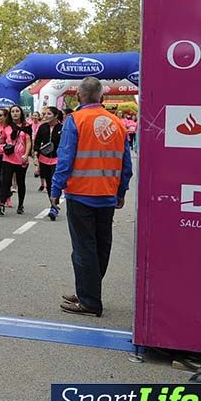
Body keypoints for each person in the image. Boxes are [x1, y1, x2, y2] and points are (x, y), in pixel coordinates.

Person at [51, 77, 132, 317]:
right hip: (107, 193)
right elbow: (125, 163)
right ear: (102, 98)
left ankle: (89, 300)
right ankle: (88, 290)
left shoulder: (75, 120)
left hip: (81, 194)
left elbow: (65, 159)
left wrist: (55, 189)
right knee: (101, 246)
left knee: (83, 248)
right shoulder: (117, 123)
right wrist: (122, 190)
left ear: (78, 97)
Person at [0, 108, 32, 215]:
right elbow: (3, 139)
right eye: (13, 112)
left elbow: (28, 142)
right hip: (8, 158)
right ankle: (1, 203)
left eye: (17, 111)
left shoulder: (26, 126)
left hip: (21, 159)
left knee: (20, 182)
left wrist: (26, 154)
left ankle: (20, 205)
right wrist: (0, 140)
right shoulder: (7, 127)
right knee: (6, 182)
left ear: (21, 113)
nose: (15, 113)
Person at [34, 106, 63, 221]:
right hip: (44, 158)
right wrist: (36, 155)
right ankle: (53, 204)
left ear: (56, 116)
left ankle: (54, 206)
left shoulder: (62, 128)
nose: (45, 116)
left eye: (48, 114)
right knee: (49, 182)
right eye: (44, 114)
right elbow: (36, 142)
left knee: (55, 182)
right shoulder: (42, 127)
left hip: (57, 159)